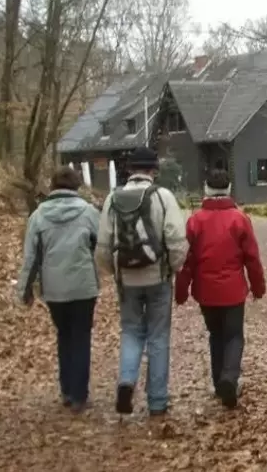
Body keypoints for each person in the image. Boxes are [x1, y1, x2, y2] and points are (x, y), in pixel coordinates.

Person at [95, 147, 188, 417]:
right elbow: (176, 239)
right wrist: (172, 268)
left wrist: (113, 271)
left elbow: (103, 243)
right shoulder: (163, 197)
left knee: (131, 331)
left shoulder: (113, 199)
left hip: (127, 280)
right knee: (158, 337)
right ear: (153, 171)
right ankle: (157, 401)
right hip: (157, 277)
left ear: (129, 170)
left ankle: (126, 380)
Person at [174, 169, 265, 409]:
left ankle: (219, 382)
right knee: (234, 336)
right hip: (233, 291)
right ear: (228, 189)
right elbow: (252, 258)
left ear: (206, 190)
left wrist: (181, 291)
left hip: (206, 291)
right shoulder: (239, 219)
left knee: (216, 335)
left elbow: (187, 260)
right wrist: (258, 287)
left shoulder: (195, 221)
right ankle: (230, 378)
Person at [16, 166, 100, 414]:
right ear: (76, 186)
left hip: (54, 288)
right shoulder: (88, 213)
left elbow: (30, 258)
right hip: (84, 286)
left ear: (53, 186)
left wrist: (25, 290)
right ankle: (79, 394)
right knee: (81, 337)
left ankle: (66, 389)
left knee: (64, 335)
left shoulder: (39, 216)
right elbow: (101, 246)